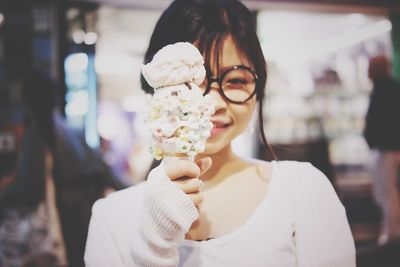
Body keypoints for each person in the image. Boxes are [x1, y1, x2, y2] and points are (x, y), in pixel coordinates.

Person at [84, 0, 355, 266]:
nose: (213, 103)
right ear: (154, 86)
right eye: (191, 82)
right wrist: (155, 243)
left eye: (236, 80)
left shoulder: (303, 191)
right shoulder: (112, 218)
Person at [0, 71, 125, 267]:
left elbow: (29, 188)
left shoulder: (35, 137)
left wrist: (6, 192)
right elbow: (105, 173)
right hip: (84, 220)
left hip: (58, 225)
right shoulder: (72, 131)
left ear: (27, 101)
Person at [364, 55, 400, 245]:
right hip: (386, 148)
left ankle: (392, 237)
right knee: (387, 193)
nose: (367, 72)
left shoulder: (385, 90)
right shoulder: (389, 88)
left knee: (388, 194)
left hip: (387, 149)